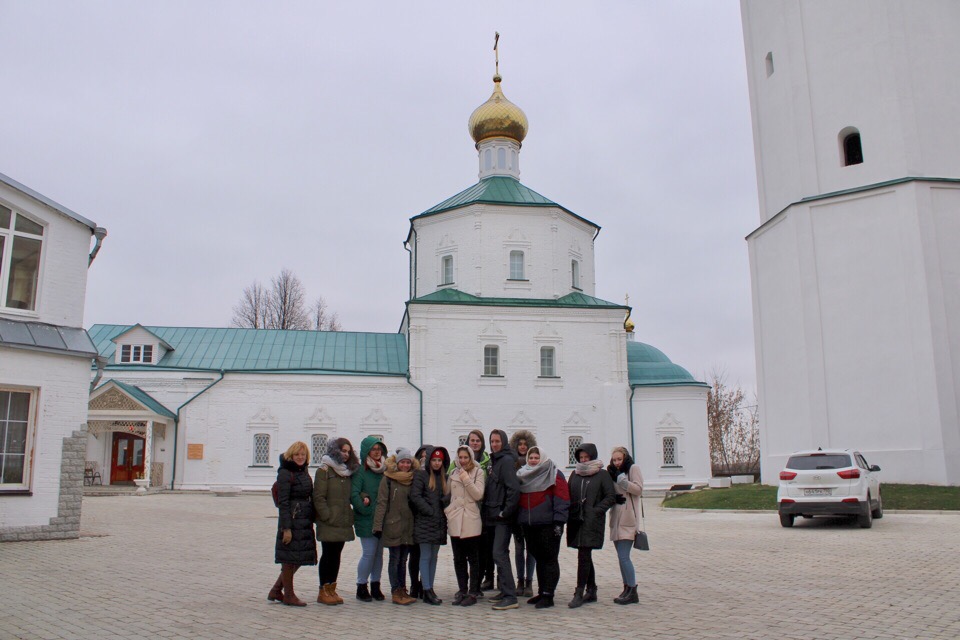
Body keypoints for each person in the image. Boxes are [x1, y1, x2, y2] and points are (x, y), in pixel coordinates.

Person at [517, 446, 569, 609]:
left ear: (543, 458)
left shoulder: (553, 473)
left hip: (548, 524)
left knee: (549, 559)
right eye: (531, 458)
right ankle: (542, 591)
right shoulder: (522, 474)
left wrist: (559, 521)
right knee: (539, 558)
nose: (533, 460)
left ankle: (549, 594)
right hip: (529, 524)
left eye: (536, 458)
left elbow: (562, 497)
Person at [566, 442, 616, 608]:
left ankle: (579, 592)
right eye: (581, 457)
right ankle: (592, 589)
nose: (584, 460)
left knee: (584, 554)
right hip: (576, 520)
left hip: (591, 520)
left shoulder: (602, 475)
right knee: (584, 554)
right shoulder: (575, 474)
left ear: (592, 456)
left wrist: (596, 511)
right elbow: (568, 493)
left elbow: (610, 496)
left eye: (586, 457)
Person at [313, 437, 359, 605]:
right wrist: (327, 515)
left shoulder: (348, 472)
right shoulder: (324, 470)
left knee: (336, 555)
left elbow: (351, 494)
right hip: (329, 521)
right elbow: (318, 497)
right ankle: (323, 590)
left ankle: (332, 588)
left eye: (348, 451)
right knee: (328, 555)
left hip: (343, 521)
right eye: (343, 450)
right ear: (335, 451)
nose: (346, 454)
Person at [271, 441, 317, 607]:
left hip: (303, 520)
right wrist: (286, 528)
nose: (300, 457)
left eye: (303, 454)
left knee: (298, 557)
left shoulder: (303, 470)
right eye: (297, 454)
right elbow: (283, 502)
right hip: (292, 519)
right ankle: (288, 595)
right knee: (289, 559)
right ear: (291, 455)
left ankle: (277, 590)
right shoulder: (285, 473)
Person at [372, 447, 419, 605]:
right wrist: (377, 526)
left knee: (403, 559)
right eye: (402, 462)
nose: (405, 465)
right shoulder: (388, 479)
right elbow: (381, 503)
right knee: (395, 559)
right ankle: (395, 591)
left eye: (408, 462)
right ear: (397, 463)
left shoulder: (413, 479)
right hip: (393, 525)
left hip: (408, 526)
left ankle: (402, 589)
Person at [482, 428, 520, 610]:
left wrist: (506, 511)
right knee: (499, 553)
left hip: (502, 517)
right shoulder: (496, 460)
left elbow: (513, 488)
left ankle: (510, 596)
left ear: (503, 442)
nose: (494, 444)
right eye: (492, 441)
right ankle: (505, 590)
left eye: (497, 441)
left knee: (499, 553)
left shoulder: (506, 460)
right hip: (494, 514)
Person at [445, 445, 486, 606]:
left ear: (470, 457)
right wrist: (449, 510)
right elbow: (448, 493)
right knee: (458, 558)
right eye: (460, 457)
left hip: (470, 518)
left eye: (466, 457)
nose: (462, 460)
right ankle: (462, 590)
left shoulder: (478, 472)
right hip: (456, 518)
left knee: (473, 558)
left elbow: (478, 494)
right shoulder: (453, 473)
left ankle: (473, 591)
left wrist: (466, 479)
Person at [409, 446, 451, 605]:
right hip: (425, 523)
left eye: (439, 460)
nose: (437, 463)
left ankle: (430, 588)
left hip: (438, 524)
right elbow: (415, 496)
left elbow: (448, 495)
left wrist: (443, 503)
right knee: (425, 556)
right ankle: (426, 589)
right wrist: (430, 511)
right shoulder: (421, 475)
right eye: (434, 460)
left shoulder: (444, 477)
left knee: (434, 557)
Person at [352, 436, 389, 602]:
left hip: (382, 518)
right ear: (366, 452)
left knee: (379, 554)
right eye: (373, 449)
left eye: (379, 449)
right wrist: (365, 508)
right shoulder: (361, 471)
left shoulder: (384, 470)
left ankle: (375, 584)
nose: (377, 452)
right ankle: (361, 585)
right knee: (369, 553)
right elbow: (354, 493)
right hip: (366, 518)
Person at [608, 446, 644, 605]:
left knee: (624, 556)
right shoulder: (611, 472)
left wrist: (622, 480)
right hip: (616, 518)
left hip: (628, 518)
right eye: (614, 460)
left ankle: (633, 590)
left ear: (625, 458)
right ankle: (626, 588)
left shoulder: (633, 468)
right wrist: (612, 498)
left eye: (619, 459)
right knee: (620, 557)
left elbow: (638, 489)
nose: (617, 462)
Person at [509, 429, 537, 597]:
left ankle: (529, 581)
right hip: (517, 511)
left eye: (525, 444)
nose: (522, 447)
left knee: (531, 548)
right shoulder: (512, 463)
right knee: (519, 548)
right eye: (519, 444)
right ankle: (520, 580)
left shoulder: (535, 463)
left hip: (531, 511)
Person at [408, 444, 431, 599]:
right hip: (414, 518)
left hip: (428, 520)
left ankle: (425, 583)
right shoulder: (413, 474)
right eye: (421, 456)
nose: (424, 458)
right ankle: (414, 584)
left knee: (426, 555)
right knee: (415, 554)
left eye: (426, 456)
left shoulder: (434, 475)